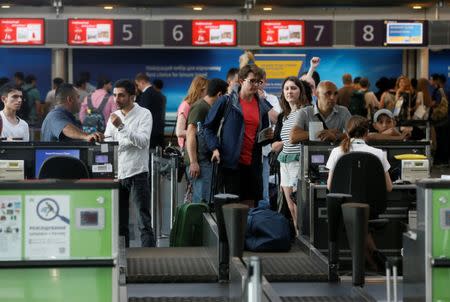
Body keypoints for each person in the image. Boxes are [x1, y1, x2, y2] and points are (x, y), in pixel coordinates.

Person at [326, 115, 393, 271]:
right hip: (372, 208)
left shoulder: (337, 151)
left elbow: (330, 186)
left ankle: (373, 264)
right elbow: (389, 187)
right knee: (361, 222)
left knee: (355, 221)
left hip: (344, 208)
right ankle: (376, 261)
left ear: (347, 132)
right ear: (367, 133)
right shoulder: (379, 153)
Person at [203, 64, 272, 205]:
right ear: (241, 81)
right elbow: (208, 128)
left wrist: (268, 137)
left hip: (252, 165)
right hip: (230, 164)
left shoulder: (262, 106)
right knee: (231, 209)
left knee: (250, 208)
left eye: (258, 82)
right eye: (252, 81)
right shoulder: (227, 101)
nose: (255, 85)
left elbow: (261, 138)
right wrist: (215, 149)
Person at [104, 79, 156, 248]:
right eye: (114, 95)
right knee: (119, 222)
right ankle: (122, 260)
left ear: (132, 96)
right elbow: (108, 142)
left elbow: (142, 141)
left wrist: (122, 128)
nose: (116, 99)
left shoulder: (144, 114)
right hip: (117, 174)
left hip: (137, 172)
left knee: (143, 221)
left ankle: (150, 261)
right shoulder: (114, 115)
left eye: (121, 95)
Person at [273, 77, 310, 235]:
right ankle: (297, 234)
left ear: (300, 91)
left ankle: (304, 237)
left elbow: (313, 135)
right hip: (284, 162)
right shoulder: (285, 115)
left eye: (293, 88)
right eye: (286, 88)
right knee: (290, 205)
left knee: (299, 202)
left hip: (298, 160)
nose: (289, 91)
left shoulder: (307, 111)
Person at [185, 78, 228, 203]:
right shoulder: (200, 107)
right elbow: (191, 133)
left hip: (207, 160)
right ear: (220, 95)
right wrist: (193, 162)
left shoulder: (211, 108)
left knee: (208, 198)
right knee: (202, 201)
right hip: (199, 162)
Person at [135, 73, 166, 148]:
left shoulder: (146, 95)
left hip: (149, 132)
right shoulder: (160, 94)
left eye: (138, 85)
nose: (138, 88)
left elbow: (141, 113)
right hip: (159, 131)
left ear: (142, 82)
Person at [176, 75, 208, 149]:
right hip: (187, 149)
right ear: (200, 90)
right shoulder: (185, 105)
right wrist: (201, 133)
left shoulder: (199, 105)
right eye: (206, 90)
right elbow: (179, 132)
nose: (207, 94)